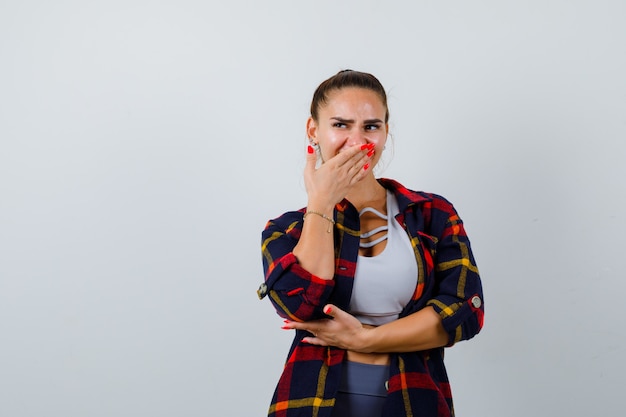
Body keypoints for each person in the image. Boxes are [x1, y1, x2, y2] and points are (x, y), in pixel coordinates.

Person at [257, 69, 484, 417]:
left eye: (371, 126)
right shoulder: (286, 229)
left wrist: (366, 339)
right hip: (313, 401)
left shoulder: (431, 214)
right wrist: (320, 204)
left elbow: (466, 311)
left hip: (413, 398)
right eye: (341, 125)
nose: (357, 140)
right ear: (313, 131)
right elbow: (297, 307)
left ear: (385, 132)